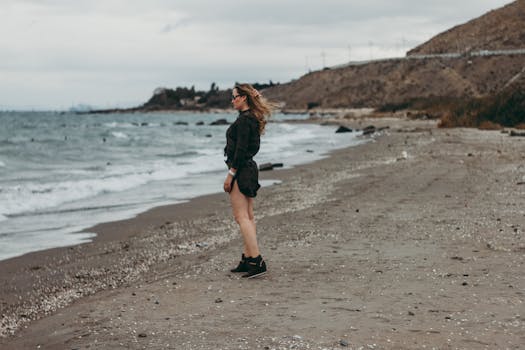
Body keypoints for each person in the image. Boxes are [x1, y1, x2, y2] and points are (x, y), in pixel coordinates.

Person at [223, 83, 273, 278]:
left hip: (242, 169)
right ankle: (247, 258)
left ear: (243, 98)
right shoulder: (251, 117)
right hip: (250, 169)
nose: (232, 100)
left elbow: (240, 150)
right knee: (248, 216)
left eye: (235, 96)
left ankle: (257, 260)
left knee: (241, 217)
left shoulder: (245, 121)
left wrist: (231, 174)